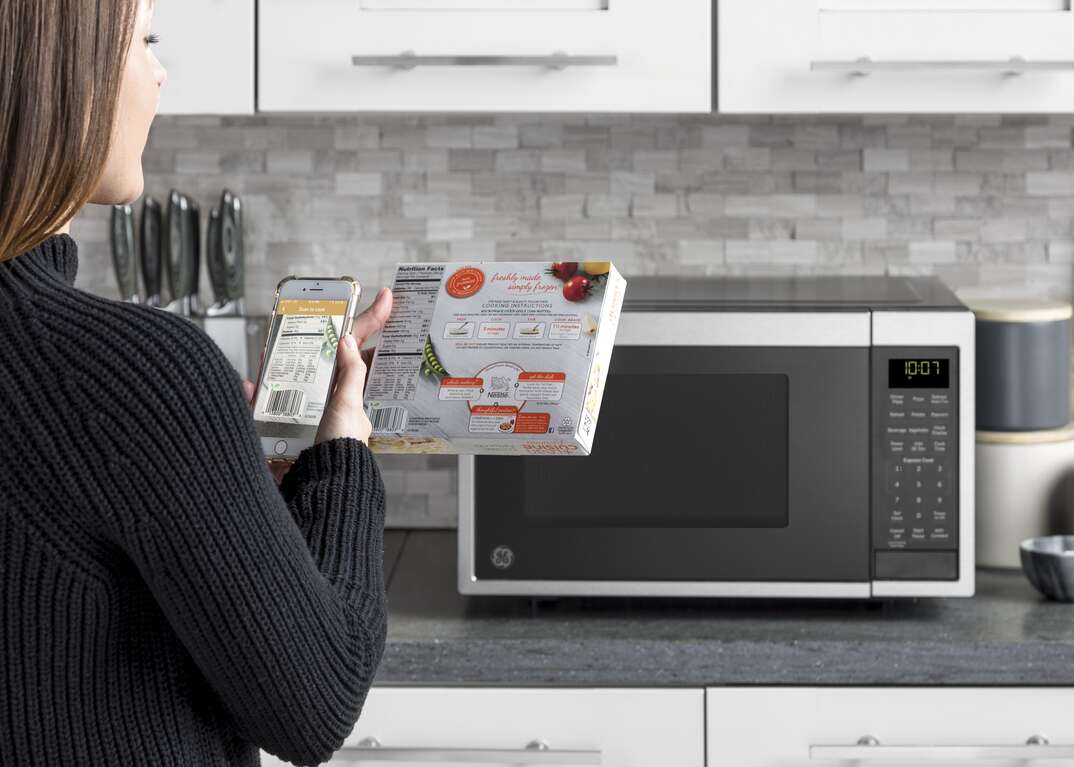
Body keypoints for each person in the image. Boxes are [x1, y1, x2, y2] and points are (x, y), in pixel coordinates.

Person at [0, 1, 393, 764]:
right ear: (60, 77)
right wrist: (343, 451)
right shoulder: (143, 377)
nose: (158, 71)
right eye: (142, 39)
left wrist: (223, 478)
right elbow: (317, 702)